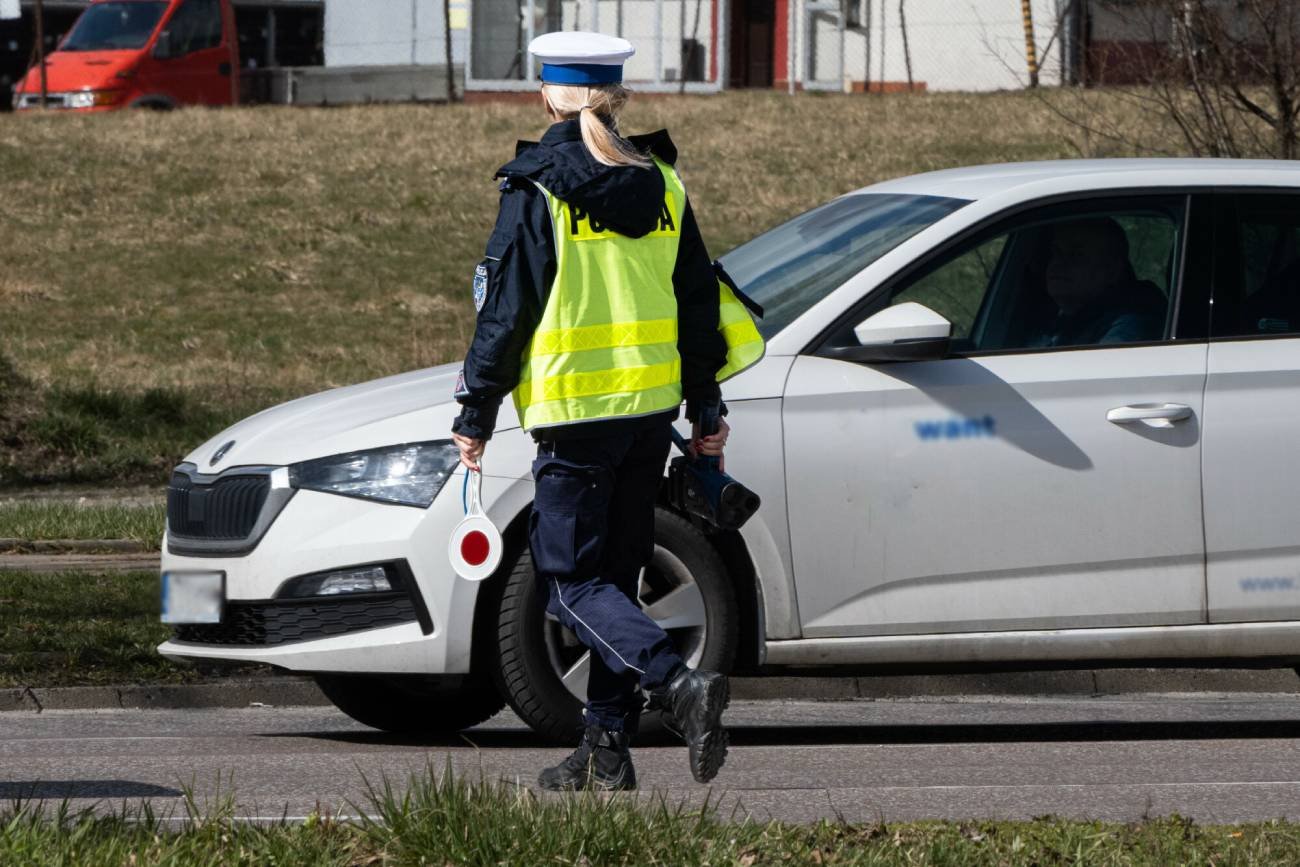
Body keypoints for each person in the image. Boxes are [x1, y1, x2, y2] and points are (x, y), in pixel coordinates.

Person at [448, 31, 763, 791]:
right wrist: (706, 407)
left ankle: (677, 683)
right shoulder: (664, 185)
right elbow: (699, 306)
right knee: (614, 581)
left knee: (569, 585)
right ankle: (606, 748)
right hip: (649, 416)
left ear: (547, 98)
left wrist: (475, 411)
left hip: (575, 417)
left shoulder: (537, 187)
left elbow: (507, 312)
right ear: (616, 98)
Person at [1035, 217, 1166, 348]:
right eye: (1056, 252)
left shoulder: (1132, 323)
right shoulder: (1053, 319)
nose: (1059, 263)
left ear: (1112, 270)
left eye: (1076, 255)